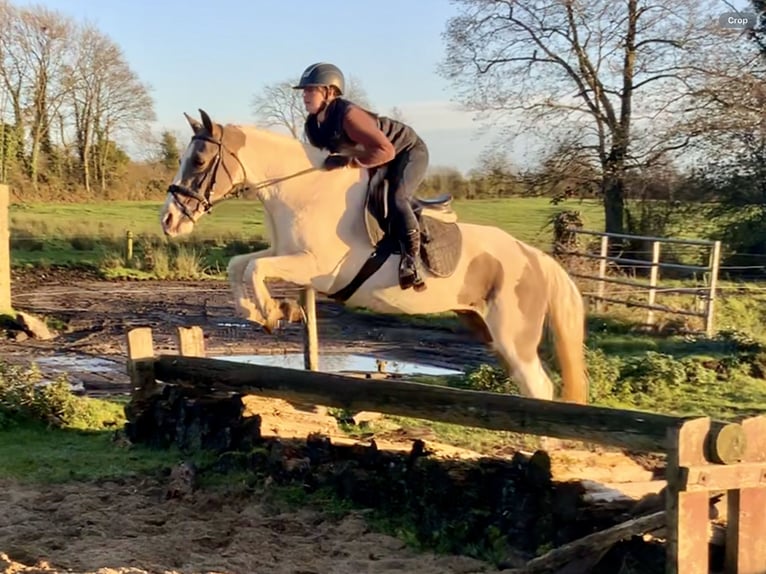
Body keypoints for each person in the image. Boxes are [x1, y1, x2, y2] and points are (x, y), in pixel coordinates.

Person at [293, 62, 429, 291]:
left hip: (406, 152)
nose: (305, 95)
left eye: (311, 89)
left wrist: (349, 161)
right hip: (375, 158)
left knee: (398, 197)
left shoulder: (349, 115)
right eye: (304, 91)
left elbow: (386, 151)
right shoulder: (312, 125)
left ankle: (411, 262)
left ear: (329, 91)